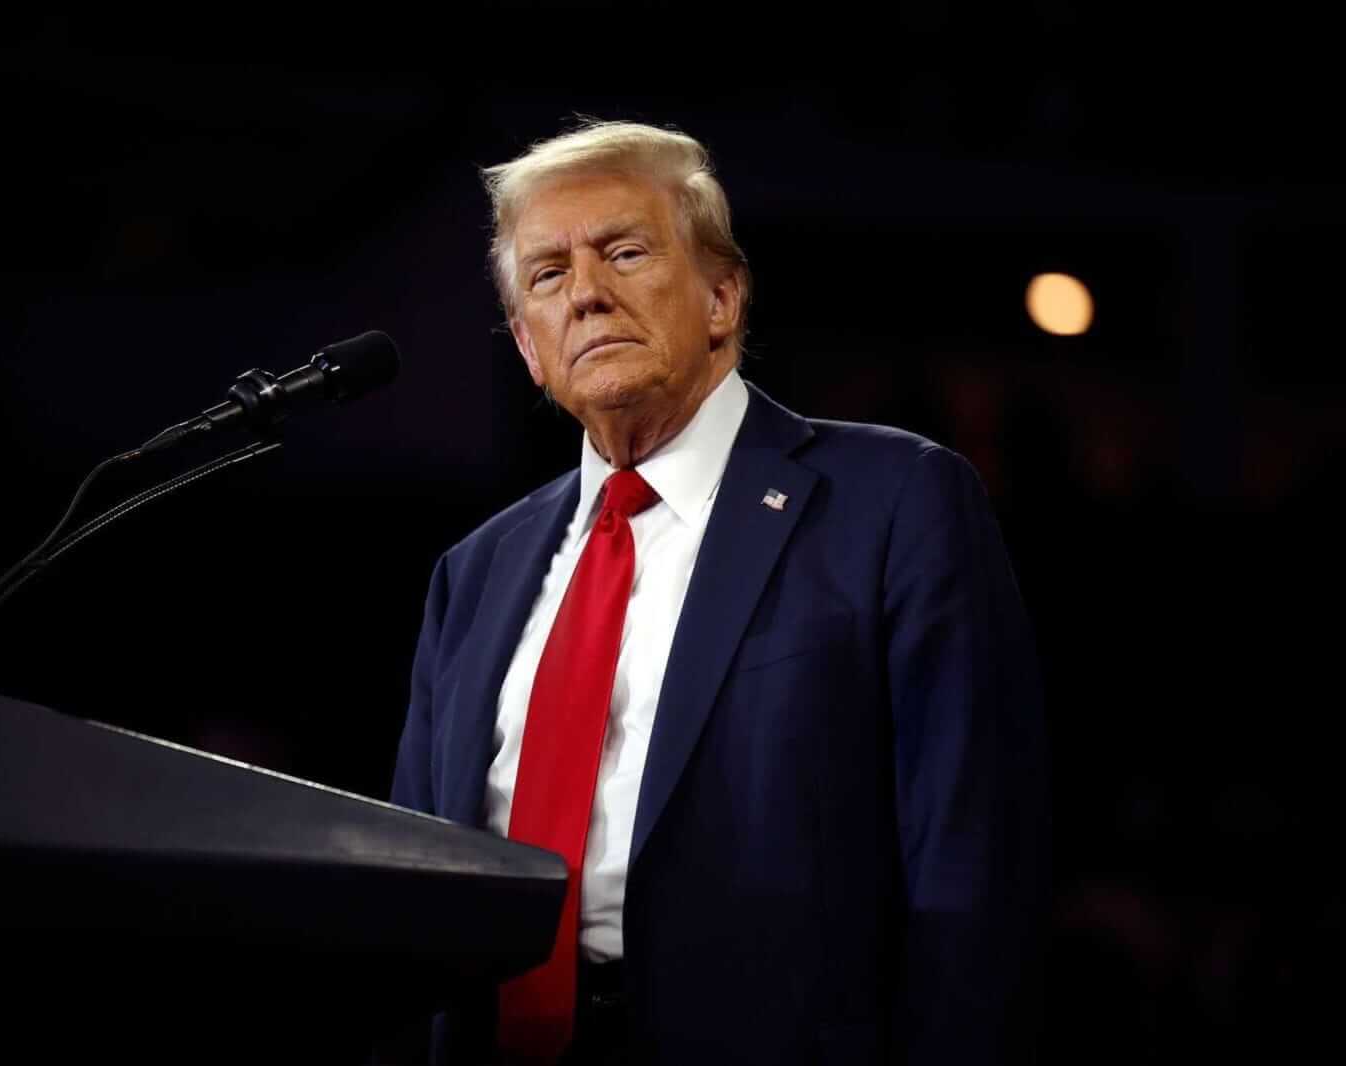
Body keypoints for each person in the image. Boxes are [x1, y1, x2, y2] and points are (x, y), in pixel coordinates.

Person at [390, 120, 1047, 1065]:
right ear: (530, 351)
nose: (586, 293)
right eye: (546, 275)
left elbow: (974, 864)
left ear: (722, 298)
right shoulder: (476, 571)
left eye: (624, 251)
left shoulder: (895, 502)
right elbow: (418, 884)